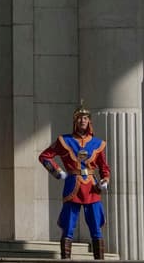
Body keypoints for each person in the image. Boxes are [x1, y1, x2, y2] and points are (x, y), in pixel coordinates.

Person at [38, 102, 111, 260]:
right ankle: (66, 259)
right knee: (68, 226)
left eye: (85, 118)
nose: (82, 121)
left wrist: (105, 179)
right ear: (75, 121)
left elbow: (104, 166)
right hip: (73, 185)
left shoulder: (98, 143)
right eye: (79, 118)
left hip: (92, 186)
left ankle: (100, 260)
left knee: (96, 226)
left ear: (89, 121)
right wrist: (57, 172)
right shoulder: (64, 140)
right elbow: (44, 156)